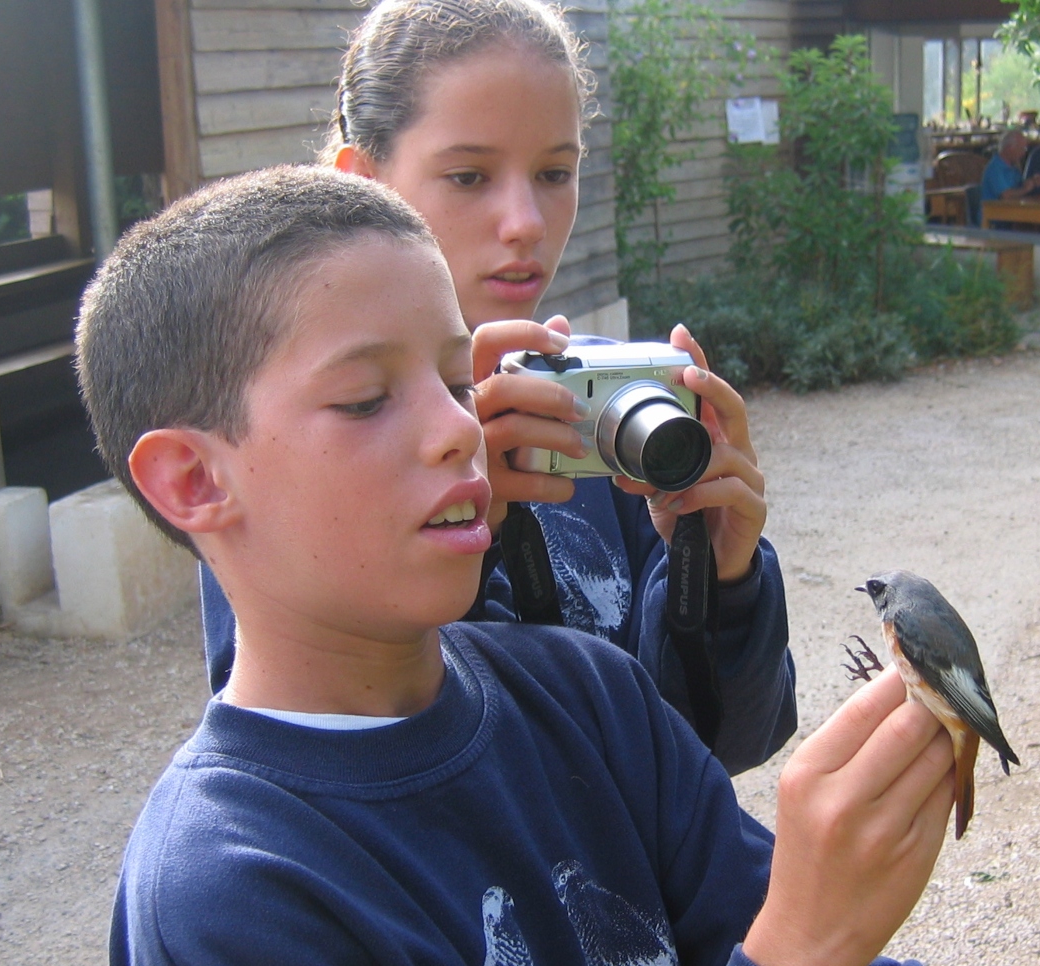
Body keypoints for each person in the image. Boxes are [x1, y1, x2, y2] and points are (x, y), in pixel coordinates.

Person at [87, 161, 1030, 966]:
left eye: (462, 378)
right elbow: (791, 963)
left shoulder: (590, 694)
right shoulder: (228, 897)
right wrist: (795, 960)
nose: (458, 430)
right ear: (194, 482)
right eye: (368, 399)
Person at [195, 0, 795, 775]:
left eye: (555, 172)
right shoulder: (293, 451)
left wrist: (720, 575)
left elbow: (717, 749)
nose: (524, 222)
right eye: (470, 175)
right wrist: (452, 522)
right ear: (363, 183)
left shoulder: (612, 411)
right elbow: (306, 773)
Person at [979, 129, 1040, 203]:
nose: (1023, 153)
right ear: (1010, 148)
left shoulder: (1014, 167)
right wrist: (1025, 189)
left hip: (1011, 211)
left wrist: (1032, 182)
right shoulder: (994, 168)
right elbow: (1006, 196)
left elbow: (1019, 188)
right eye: (1021, 149)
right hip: (994, 213)